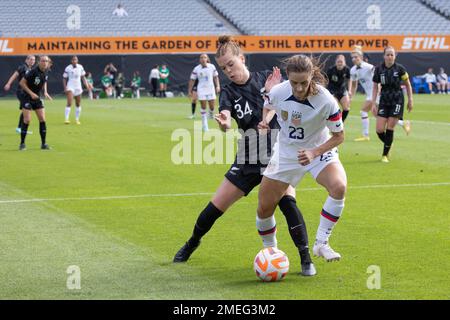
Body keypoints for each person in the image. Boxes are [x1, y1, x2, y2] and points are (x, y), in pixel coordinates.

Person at [174, 36, 316, 276]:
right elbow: (227, 119)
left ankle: (306, 258)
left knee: (288, 203)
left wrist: (275, 94)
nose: (228, 70)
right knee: (216, 206)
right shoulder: (228, 92)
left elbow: (294, 103)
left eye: (231, 64)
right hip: (249, 154)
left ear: (241, 58)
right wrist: (224, 123)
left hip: (278, 153)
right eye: (223, 67)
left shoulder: (266, 79)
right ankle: (192, 242)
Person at [257, 54, 346, 262]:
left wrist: (314, 152)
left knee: (338, 187)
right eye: (294, 83)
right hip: (287, 152)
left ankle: (322, 244)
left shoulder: (326, 100)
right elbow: (269, 106)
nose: (298, 88)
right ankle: (271, 254)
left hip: (318, 149)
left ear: (312, 76)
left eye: (303, 83)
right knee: (264, 207)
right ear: (287, 77)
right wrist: (265, 121)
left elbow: (339, 136)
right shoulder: (278, 91)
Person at [372, 46, 413, 163]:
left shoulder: (400, 69)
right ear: (384, 56)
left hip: (397, 100)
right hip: (384, 100)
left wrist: (410, 99)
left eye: (392, 55)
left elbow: (408, 84)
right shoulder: (379, 69)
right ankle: (389, 143)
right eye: (388, 54)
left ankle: (385, 155)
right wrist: (374, 102)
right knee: (379, 130)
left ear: (395, 56)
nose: (390, 57)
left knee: (390, 127)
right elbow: (375, 86)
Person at [18, 55, 53, 151]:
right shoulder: (33, 71)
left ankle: (43, 144)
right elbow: (22, 83)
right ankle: (22, 144)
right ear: (39, 62)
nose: (45, 62)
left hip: (36, 97)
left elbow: (44, 81)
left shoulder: (46, 71)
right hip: (26, 97)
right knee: (27, 120)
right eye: (43, 61)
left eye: (46, 61)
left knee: (42, 119)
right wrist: (31, 93)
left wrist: (45, 92)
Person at [4, 55, 36, 134]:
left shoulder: (31, 69)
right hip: (21, 91)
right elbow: (14, 75)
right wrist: (8, 84)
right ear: (27, 60)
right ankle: (21, 129)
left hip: (26, 92)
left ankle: (19, 128)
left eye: (34, 60)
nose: (32, 61)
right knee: (27, 108)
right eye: (31, 59)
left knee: (25, 109)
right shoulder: (22, 67)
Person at [349, 46, 375, 142]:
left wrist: (380, 90)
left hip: (376, 94)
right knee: (379, 115)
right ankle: (403, 123)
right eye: (352, 57)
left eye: (356, 57)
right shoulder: (353, 70)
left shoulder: (369, 67)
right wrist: (351, 96)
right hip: (369, 94)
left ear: (361, 57)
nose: (354, 59)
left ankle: (366, 135)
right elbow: (354, 85)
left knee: (364, 111)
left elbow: (379, 77)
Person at [188, 53, 221, 131]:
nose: (203, 59)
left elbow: (216, 77)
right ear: (199, 60)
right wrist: (190, 90)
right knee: (203, 107)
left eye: (204, 57)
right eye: (201, 57)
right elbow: (192, 80)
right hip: (201, 90)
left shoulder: (212, 67)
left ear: (207, 59)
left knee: (212, 107)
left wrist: (218, 86)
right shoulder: (196, 69)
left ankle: (211, 114)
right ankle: (205, 125)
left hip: (211, 89)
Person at [63, 56, 91, 125]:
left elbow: (83, 77)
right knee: (69, 102)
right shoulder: (68, 68)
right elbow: (64, 78)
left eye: (75, 60)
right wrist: (65, 87)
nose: (74, 61)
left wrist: (87, 85)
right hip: (70, 86)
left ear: (77, 61)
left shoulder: (80, 67)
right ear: (71, 61)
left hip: (78, 87)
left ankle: (77, 119)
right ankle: (66, 119)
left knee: (78, 104)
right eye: (73, 60)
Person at [326, 55, 351, 122]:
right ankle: (334, 122)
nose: (340, 63)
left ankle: (341, 122)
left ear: (344, 62)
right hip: (332, 90)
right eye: (338, 62)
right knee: (335, 108)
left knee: (346, 108)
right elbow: (326, 80)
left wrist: (349, 90)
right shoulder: (331, 69)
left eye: (341, 62)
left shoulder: (347, 69)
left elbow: (349, 79)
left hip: (342, 90)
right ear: (336, 62)